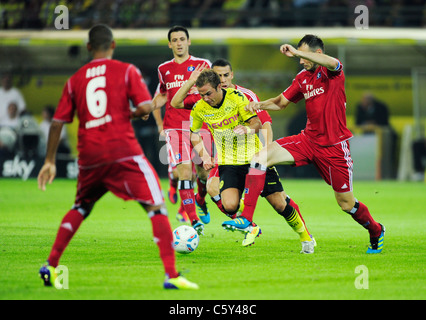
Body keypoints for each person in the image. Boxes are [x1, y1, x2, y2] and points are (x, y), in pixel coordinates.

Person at [37, 24, 198, 290]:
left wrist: (50, 161)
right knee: (156, 206)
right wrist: (132, 113)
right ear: (113, 46)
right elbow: (145, 106)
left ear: (89, 48)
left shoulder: (74, 79)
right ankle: (171, 275)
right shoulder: (126, 71)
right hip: (122, 152)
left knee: (80, 207)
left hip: (88, 156)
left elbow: (57, 122)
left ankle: (51, 266)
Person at [233, 34, 385, 254]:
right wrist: (258, 105)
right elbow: (281, 102)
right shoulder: (302, 77)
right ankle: (246, 218)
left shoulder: (333, 73)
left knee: (346, 204)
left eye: (304, 56)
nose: (301, 61)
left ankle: (376, 230)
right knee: (260, 157)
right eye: (298, 56)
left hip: (334, 147)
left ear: (317, 54)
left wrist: (296, 52)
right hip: (308, 140)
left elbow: (334, 63)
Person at [203, 58, 314, 251]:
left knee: (279, 203)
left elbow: (265, 123)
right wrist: (205, 154)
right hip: (228, 162)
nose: (222, 79)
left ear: (232, 75)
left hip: (254, 159)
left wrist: (268, 152)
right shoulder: (207, 100)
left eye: (225, 75)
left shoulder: (245, 95)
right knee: (213, 187)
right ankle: (248, 225)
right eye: (218, 75)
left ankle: (305, 236)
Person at [152, 25, 212, 235]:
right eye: (174, 40)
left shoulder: (203, 65)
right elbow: (162, 95)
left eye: (182, 39)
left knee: (203, 172)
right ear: (170, 44)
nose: (178, 43)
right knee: (184, 171)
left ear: (189, 42)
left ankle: (201, 199)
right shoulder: (163, 69)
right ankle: (193, 220)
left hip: (199, 126)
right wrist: (149, 108)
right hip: (174, 128)